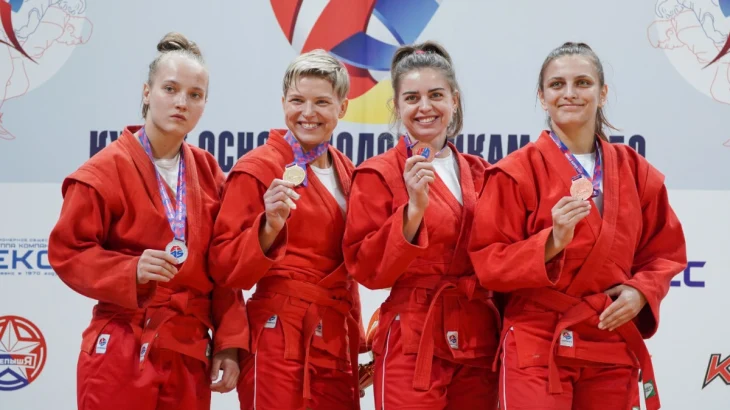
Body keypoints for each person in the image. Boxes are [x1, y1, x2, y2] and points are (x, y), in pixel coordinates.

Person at [468, 42, 688, 410]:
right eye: (557, 85)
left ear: (602, 93)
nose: (569, 93)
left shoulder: (636, 170)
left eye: (583, 83)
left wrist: (640, 293)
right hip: (538, 340)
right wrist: (551, 242)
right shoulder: (514, 172)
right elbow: (488, 262)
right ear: (542, 97)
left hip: (608, 333)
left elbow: (665, 252)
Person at [48, 33, 247, 409]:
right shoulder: (104, 170)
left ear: (204, 104)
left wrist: (229, 342)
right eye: (170, 89)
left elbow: (224, 266)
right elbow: (67, 252)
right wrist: (130, 270)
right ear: (146, 92)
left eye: (195, 94)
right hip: (123, 342)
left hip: (189, 347)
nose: (181, 102)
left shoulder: (209, 172)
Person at [343, 41, 500, 410]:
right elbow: (368, 269)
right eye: (412, 98)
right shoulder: (377, 173)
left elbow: (500, 255)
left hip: (476, 336)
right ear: (397, 106)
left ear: (454, 101)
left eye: (436, 95)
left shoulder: (482, 172)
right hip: (413, 336)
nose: (425, 107)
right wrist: (413, 211)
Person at [208, 49, 365, 410]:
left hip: (333, 336)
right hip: (277, 333)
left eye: (321, 102)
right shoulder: (257, 168)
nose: (307, 113)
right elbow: (223, 268)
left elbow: (350, 268)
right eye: (297, 101)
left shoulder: (347, 170)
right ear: (283, 104)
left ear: (342, 107)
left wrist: (355, 343)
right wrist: (268, 227)